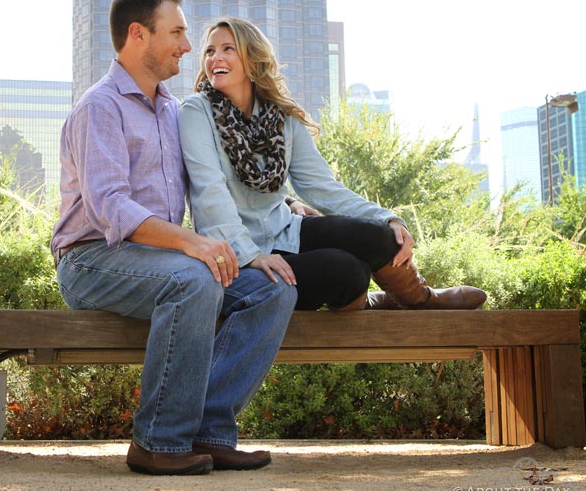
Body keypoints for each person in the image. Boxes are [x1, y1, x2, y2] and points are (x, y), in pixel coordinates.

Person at [51, 0, 297, 475]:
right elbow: (111, 209)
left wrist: (286, 204)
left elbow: (217, 180)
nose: (188, 47)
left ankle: (209, 432)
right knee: (195, 279)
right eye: (178, 32)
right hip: (92, 259)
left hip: (162, 261)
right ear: (138, 35)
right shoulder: (99, 108)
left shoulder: (174, 111)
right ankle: (158, 442)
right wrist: (193, 242)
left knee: (272, 288)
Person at [178, 17, 487, 311]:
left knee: (380, 235)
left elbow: (322, 188)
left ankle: (421, 299)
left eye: (227, 49)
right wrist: (252, 255)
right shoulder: (196, 112)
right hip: (234, 252)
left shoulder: (284, 119)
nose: (214, 58)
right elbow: (210, 192)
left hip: (286, 230)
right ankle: (367, 303)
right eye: (209, 51)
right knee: (348, 271)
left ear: (252, 59)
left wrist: (389, 218)